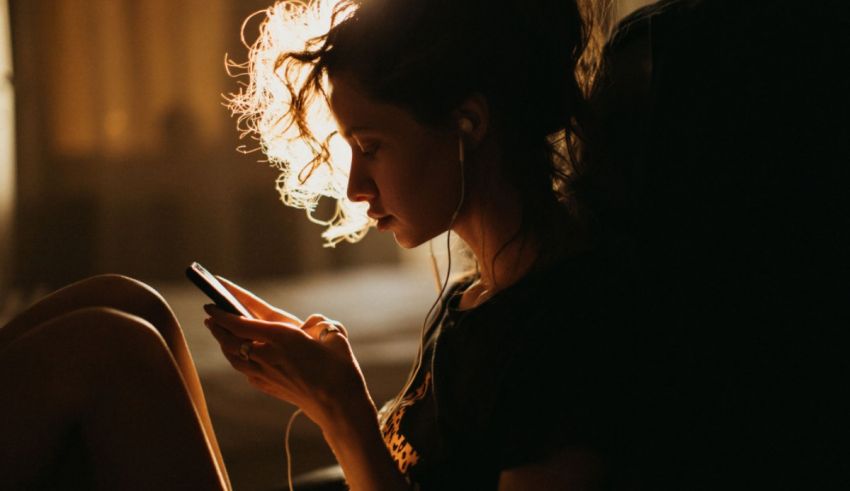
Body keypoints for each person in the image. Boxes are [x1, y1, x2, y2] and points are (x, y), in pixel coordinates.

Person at [0, 0, 622, 489]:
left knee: (114, 347)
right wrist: (322, 385)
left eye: (371, 147)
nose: (354, 186)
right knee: (134, 305)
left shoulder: (559, 331)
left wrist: (339, 407)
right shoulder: (472, 301)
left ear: (469, 123)